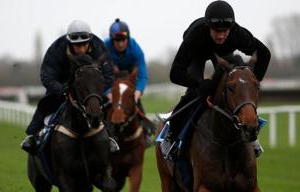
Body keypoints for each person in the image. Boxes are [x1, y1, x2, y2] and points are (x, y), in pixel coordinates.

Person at [162, 0, 271, 159]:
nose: (221, 35)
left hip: (223, 55)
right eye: (216, 31)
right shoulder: (195, 35)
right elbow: (175, 73)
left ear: (231, 28)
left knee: (238, 88)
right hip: (197, 53)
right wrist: (200, 83)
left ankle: (250, 134)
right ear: (208, 27)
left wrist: (253, 83)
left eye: (225, 31)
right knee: (195, 93)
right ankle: (171, 134)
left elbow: (265, 54)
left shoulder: (238, 34)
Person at [21, 20, 115, 154]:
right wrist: (62, 90)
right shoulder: (57, 49)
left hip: (89, 89)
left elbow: (109, 75)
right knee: (46, 103)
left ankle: (110, 139)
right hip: (61, 87)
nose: (81, 49)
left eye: (84, 45)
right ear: (70, 43)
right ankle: (32, 136)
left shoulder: (99, 48)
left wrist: (96, 90)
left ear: (90, 42)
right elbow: (47, 76)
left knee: (108, 105)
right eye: (77, 46)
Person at [104, 18, 155, 146]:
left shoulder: (136, 50)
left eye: (123, 40)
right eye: (117, 40)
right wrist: (108, 92)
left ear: (128, 38)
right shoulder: (104, 48)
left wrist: (137, 93)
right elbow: (100, 74)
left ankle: (146, 133)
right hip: (111, 81)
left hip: (129, 81)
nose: (120, 44)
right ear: (111, 40)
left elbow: (142, 76)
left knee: (134, 102)